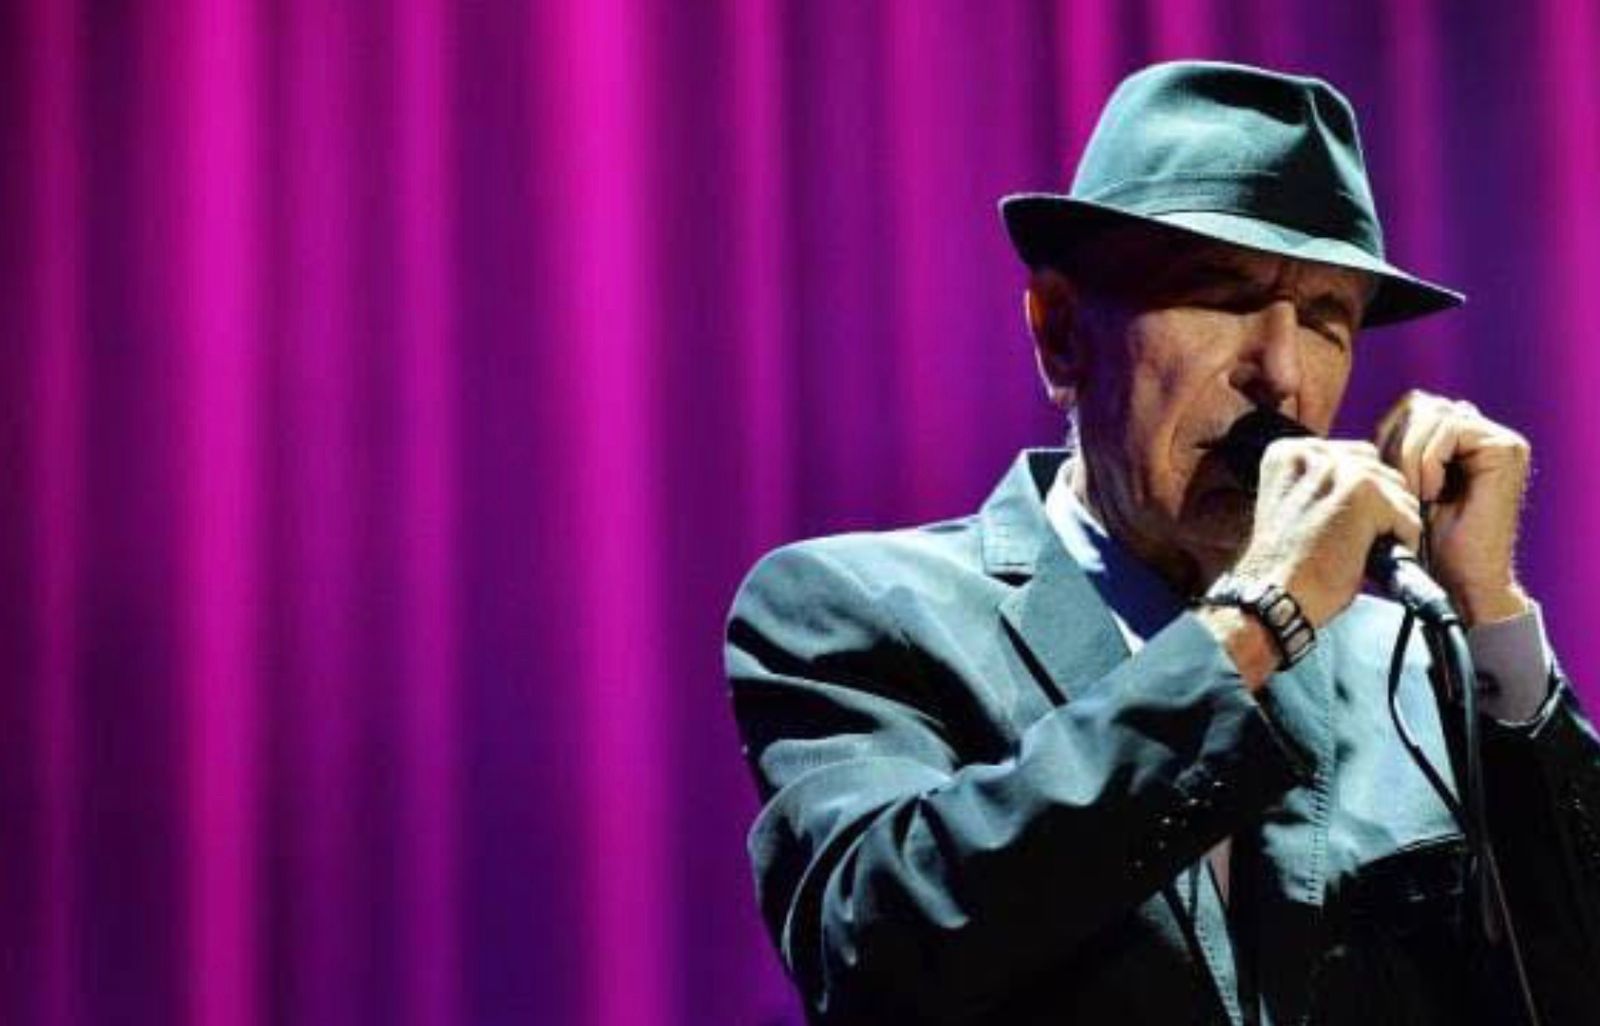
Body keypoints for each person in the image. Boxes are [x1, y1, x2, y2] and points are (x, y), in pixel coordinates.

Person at [724, 61, 1600, 1025]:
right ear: (1063, 334)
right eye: (1221, 296)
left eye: (1325, 319)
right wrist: (1255, 622)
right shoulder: (855, 611)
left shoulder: (1412, 659)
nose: (1279, 372)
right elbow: (876, 951)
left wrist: (1494, 626)